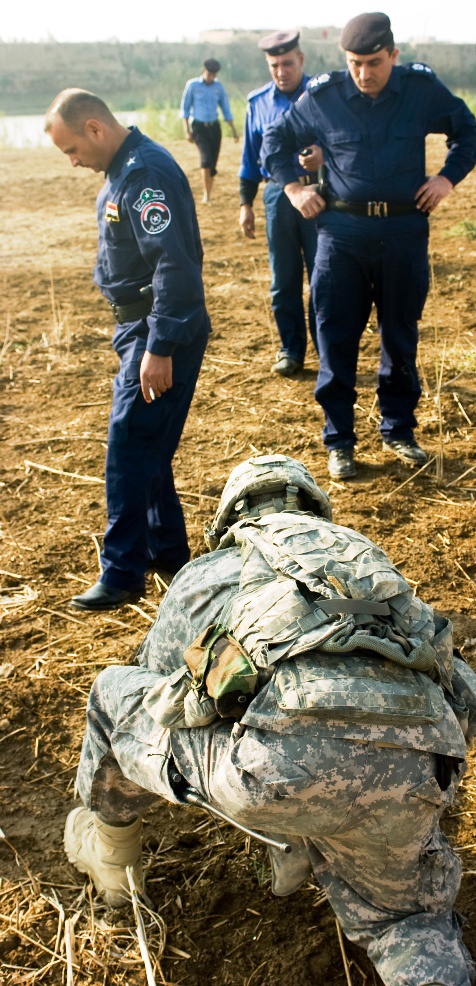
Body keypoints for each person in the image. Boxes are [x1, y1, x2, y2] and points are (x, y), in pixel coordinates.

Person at [63, 453, 476, 986]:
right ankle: (305, 847)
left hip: (276, 771)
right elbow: (461, 693)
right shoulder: (367, 563)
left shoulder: (204, 572)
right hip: (412, 770)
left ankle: (112, 857)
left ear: (226, 522)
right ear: (320, 512)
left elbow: (157, 697)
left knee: (114, 694)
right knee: (407, 924)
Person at [261, 12, 476, 480]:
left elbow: (467, 132)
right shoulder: (323, 97)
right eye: (355, 63)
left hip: (403, 233)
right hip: (341, 237)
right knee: (335, 338)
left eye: (374, 62)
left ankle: (398, 429)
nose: (364, 73)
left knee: (400, 336)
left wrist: (446, 179)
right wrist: (295, 189)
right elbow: (274, 142)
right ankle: (339, 441)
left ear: (393, 56)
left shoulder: (420, 90)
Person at [44, 89, 211, 611]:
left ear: (95, 128)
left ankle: (122, 573)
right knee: (149, 446)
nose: (73, 162)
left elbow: (173, 268)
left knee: (128, 444)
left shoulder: (144, 176)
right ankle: (168, 553)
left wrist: (158, 346)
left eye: (72, 149)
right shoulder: (124, 170)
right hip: (140, 328)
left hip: (158, 329)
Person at [239, 31, 321, 378]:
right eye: (274, 65)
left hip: (321, 192)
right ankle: (291, 349)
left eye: (287, 63)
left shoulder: (324, 94)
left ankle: (328, 348)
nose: (281, 71)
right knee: (283, 278)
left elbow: (348, 140)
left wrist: (324, 155)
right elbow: (249, 159)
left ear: (301, 60)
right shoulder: (258, 103)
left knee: (325, 275)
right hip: (277, 196)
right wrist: (246, 204)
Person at [180, 58, 239, 205]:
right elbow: (185, 109)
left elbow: (225, 109)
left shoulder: (219, 87)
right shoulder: (192, 86)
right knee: (205, 160)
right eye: (209, 73)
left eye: (214, 74)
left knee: (212, 163)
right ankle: (207, 194)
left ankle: (209, 189)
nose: (211, 77)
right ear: (203, 71)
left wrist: (234, 130)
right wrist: (186, 130)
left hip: (214, 127)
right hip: (199, 127)